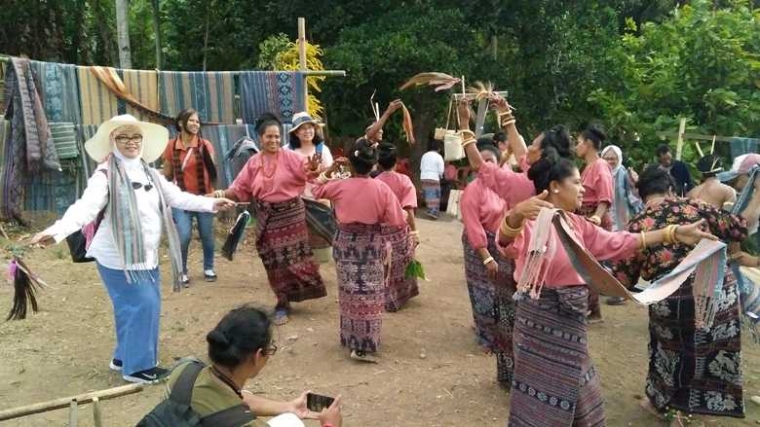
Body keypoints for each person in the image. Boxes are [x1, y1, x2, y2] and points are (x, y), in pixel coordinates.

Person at [495, 149, 713, 427]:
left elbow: (618, 241)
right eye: (576, 182)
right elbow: (505, 244)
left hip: (570, 322)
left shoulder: (577, 224)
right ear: (555, 187)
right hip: (537, 322)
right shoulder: (531, 220)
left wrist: (673, 233)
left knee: (580, 387)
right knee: (540, 389)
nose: (583, 189)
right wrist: (515, 215)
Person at [31, 114, 235, 384]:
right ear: (112, 141)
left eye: (136, 136)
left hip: (146, 254)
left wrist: (210, 204)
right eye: (123, 137)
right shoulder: (105, 175)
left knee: (132, 306)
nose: (131, 142)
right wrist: (57, 231)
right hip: (118, 257)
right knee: (143, 305)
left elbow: (176, 197)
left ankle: (123, 357)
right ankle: (138, 368)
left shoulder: (149, 172)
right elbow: (85, 208)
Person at [611, 166, 752, 421]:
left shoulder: (638, 225)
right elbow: (740, 229)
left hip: (672, 297)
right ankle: (694, 409)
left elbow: (623, 279)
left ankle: (667, 406)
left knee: (669, 350)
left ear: (642, 195)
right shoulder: (696, 207)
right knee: (710, 348)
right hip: (718, 292)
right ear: (671, 189)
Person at [212, 113, 326, 326]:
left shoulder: (291, 157)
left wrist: (312, 168)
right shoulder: (253, 163)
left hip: (291, 215)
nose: (274, 140)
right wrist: (218, 194)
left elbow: (308, 173)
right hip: (267, 217)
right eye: (269, 137)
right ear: (260, 138)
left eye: (277, 136)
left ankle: (290, 297)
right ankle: (283, 299)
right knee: (273, 260)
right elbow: (239, 189)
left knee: (294, 259)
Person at [165, 305, 342, 427]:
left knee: (289, 419)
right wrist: (330, 424)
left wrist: (289, 407)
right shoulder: (244, 423)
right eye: (269, 350)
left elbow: (237, 399)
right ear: (257, 356)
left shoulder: (184, 370)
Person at [311, 139, 407, 363]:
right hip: (371, 244)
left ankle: (350, 338)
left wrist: (331, 169)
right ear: (374, 165)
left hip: (345, 243)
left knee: (349, 292)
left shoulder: (339, 185)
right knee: (371, 293)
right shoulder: (382, 189)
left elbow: (315, 189)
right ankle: (365, 345)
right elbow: (397, 220)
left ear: (350, 164)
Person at [459, 139, 515, 389]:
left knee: (502, 290)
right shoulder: (472, 190)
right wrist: (486, 256)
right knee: (481, 289)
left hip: (502, 242)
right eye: (480, 161)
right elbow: (473, 225)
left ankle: (500, 335)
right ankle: (485, 337)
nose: (485, 165)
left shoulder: (506, 186)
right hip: (478, 245)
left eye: (489, 160)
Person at [163, 108, 219, 286]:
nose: (196, 124)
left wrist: (214, 196)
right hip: (181, 199)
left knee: (207, 235)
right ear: (181, 123)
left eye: (197, 121)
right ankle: (182, 271)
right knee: (184, 236)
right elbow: (167, 174)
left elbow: (212, 172)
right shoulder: (171, 146)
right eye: (192, 121)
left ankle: (209, 267)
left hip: (204, 198)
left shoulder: (205, 145)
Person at [575, 125, 615, 320]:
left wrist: (597, 218)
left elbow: (605, 197)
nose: (576, 147)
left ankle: (592, 310)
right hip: (585, 219)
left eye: (578, 142)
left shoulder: (600, 166)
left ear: (588, 144)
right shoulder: (588, 167)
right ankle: (592, 308)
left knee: (589, 266)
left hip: (593, 220)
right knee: (585, 265)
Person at [375, 142, 420, 312]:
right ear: (396, 161)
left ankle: (382, 296)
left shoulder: (374, 182)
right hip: (399, 231)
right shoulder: (404, 181)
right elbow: (409, 210)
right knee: (402, 264)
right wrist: (414, 232)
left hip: (380, 232)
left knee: (383, 266)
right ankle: (399, 295)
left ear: (378, 163)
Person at [287, 111, 335, 262]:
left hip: (319, 201)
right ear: (296, 132)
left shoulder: (322, 150)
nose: (307, 131)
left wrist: (318, 172)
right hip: (294, 202)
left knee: (318, 244)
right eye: (303, 128)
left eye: (310, 127)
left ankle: (314, 269)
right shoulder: (287, 151)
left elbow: (331, 174)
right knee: (297, 242)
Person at [601, 145, 642, 232]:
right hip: (604, 218)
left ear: (619, 159)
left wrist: (634, 186)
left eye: (613, 159)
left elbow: (634, 200)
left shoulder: (625, 175)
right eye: (606, 159)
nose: (609, 161)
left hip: (622, 219)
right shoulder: (599, 174)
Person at [420, 139, 445, 219]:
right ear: (439, 149)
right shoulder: (438, 157)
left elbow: (421, 167)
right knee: (435, 194)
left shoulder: (425, 155)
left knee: (428, 194)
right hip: (433, 177)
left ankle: (431, 210)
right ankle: (433, 211)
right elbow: (441, 170)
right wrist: (441, 176)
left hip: (424, 176)